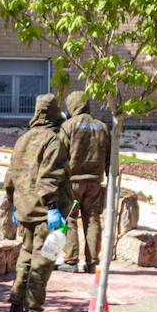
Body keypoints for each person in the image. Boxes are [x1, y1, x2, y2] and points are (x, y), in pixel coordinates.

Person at [5, 93, 73, 312]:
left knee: (25, 255)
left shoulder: (22, 139)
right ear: (55, 112)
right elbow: (49, 178)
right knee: (43, 259)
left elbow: (10, 177)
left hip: (25, 208)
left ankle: (16, 302)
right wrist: (53, 207)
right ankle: (33, 310)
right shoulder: (53, 141)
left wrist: (14, 204)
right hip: (46, 212)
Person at [56, 90, 111, 273]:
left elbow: (59, 154)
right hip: (95, 182)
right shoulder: (102, 127)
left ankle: (71, 260)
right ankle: (92, 262)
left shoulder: (68, 126)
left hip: (72, 183)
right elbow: (111, 157)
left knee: (69, 218)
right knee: (93, 219)